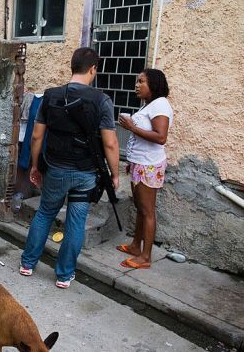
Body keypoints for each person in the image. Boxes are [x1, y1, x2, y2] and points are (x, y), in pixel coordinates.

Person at [19, 47, 119, 289]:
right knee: (76, 221)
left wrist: (35, 165)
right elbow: (111, 142)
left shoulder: (51, 96)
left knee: (45, 212)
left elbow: (36, 136)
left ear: (72, 66)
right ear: (93, 68)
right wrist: (115, 174)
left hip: (55, 169)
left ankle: (28, 264)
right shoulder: (102, 100)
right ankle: (64, 275)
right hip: (86, 173)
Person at [117, 69, 173, 269]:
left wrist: (132, 127)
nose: (137, 85)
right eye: (136, 82)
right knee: (140, 209)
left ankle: (145, 257)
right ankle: (135, 246)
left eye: (141, 82)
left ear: (154, 84)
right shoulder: (150, 105)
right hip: (140, 164)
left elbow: (161, 137)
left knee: (148, 211)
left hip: (149, 165)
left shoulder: (160, 105)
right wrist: (132, 161)